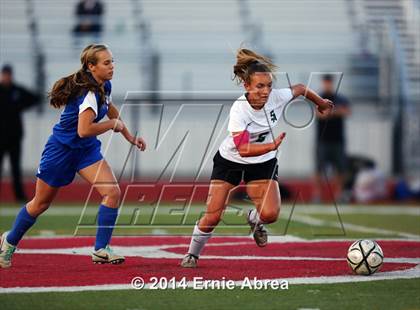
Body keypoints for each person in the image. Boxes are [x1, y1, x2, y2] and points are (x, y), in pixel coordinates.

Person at [181, 48, 333, 268]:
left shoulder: (276, 97)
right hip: (231, 161)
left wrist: (321, 103)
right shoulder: (239, 110)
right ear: (247, 87)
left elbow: (300, 89)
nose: (266, 91)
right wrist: (271, 145)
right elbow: (242, 150)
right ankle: (192, 254)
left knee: (270, 214)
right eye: (260, 86)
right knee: (212, 217)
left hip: (262, 163)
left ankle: (254, 219)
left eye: (269, 85)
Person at [0, 44, 146, 268]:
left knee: (112, 192)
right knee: (40, 204)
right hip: (61, 151)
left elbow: (110, 107)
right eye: (106, 63)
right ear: (91, 66)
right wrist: (111, 125)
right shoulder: (87, 92)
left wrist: (129, 135)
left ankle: (101, 249)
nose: (112, 66)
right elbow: (83, 129)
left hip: (85, 150)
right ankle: (9, 242)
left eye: (112, 61)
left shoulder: (103, 85)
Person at [0, 64, 40, 203]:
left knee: (15, 168)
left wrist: (20, 106)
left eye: (8, 74)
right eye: (5, 74)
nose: (6, 77)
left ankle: (19, 196)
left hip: (14, 136)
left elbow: (35, 98)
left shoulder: (16, 90)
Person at [313, 74, 351, 203]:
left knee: (340, 169)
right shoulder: (318, 97)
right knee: (319, 169)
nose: (327, 84)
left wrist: (329, 112)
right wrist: (335, 111)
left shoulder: (340, 98)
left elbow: (346, 112)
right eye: (326, 82)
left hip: (338, 140)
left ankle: (339, 194)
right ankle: (318, 195)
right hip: (322, 140)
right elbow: (319, 115)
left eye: (329, 82)